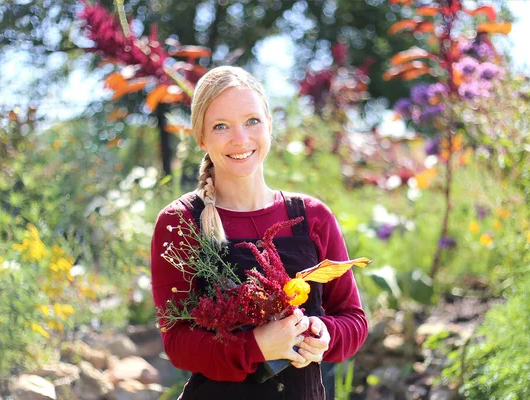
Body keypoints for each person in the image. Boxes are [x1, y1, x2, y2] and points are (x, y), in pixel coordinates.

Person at [151, 66, 368, 400]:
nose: (240, 139)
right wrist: (254, 347)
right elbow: (178, 343)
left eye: (252, 121)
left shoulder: (313, 217)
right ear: (202, 138)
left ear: (269, 125)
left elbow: (353, 319)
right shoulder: (180, 222)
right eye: (221, 126)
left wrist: (325, 335)